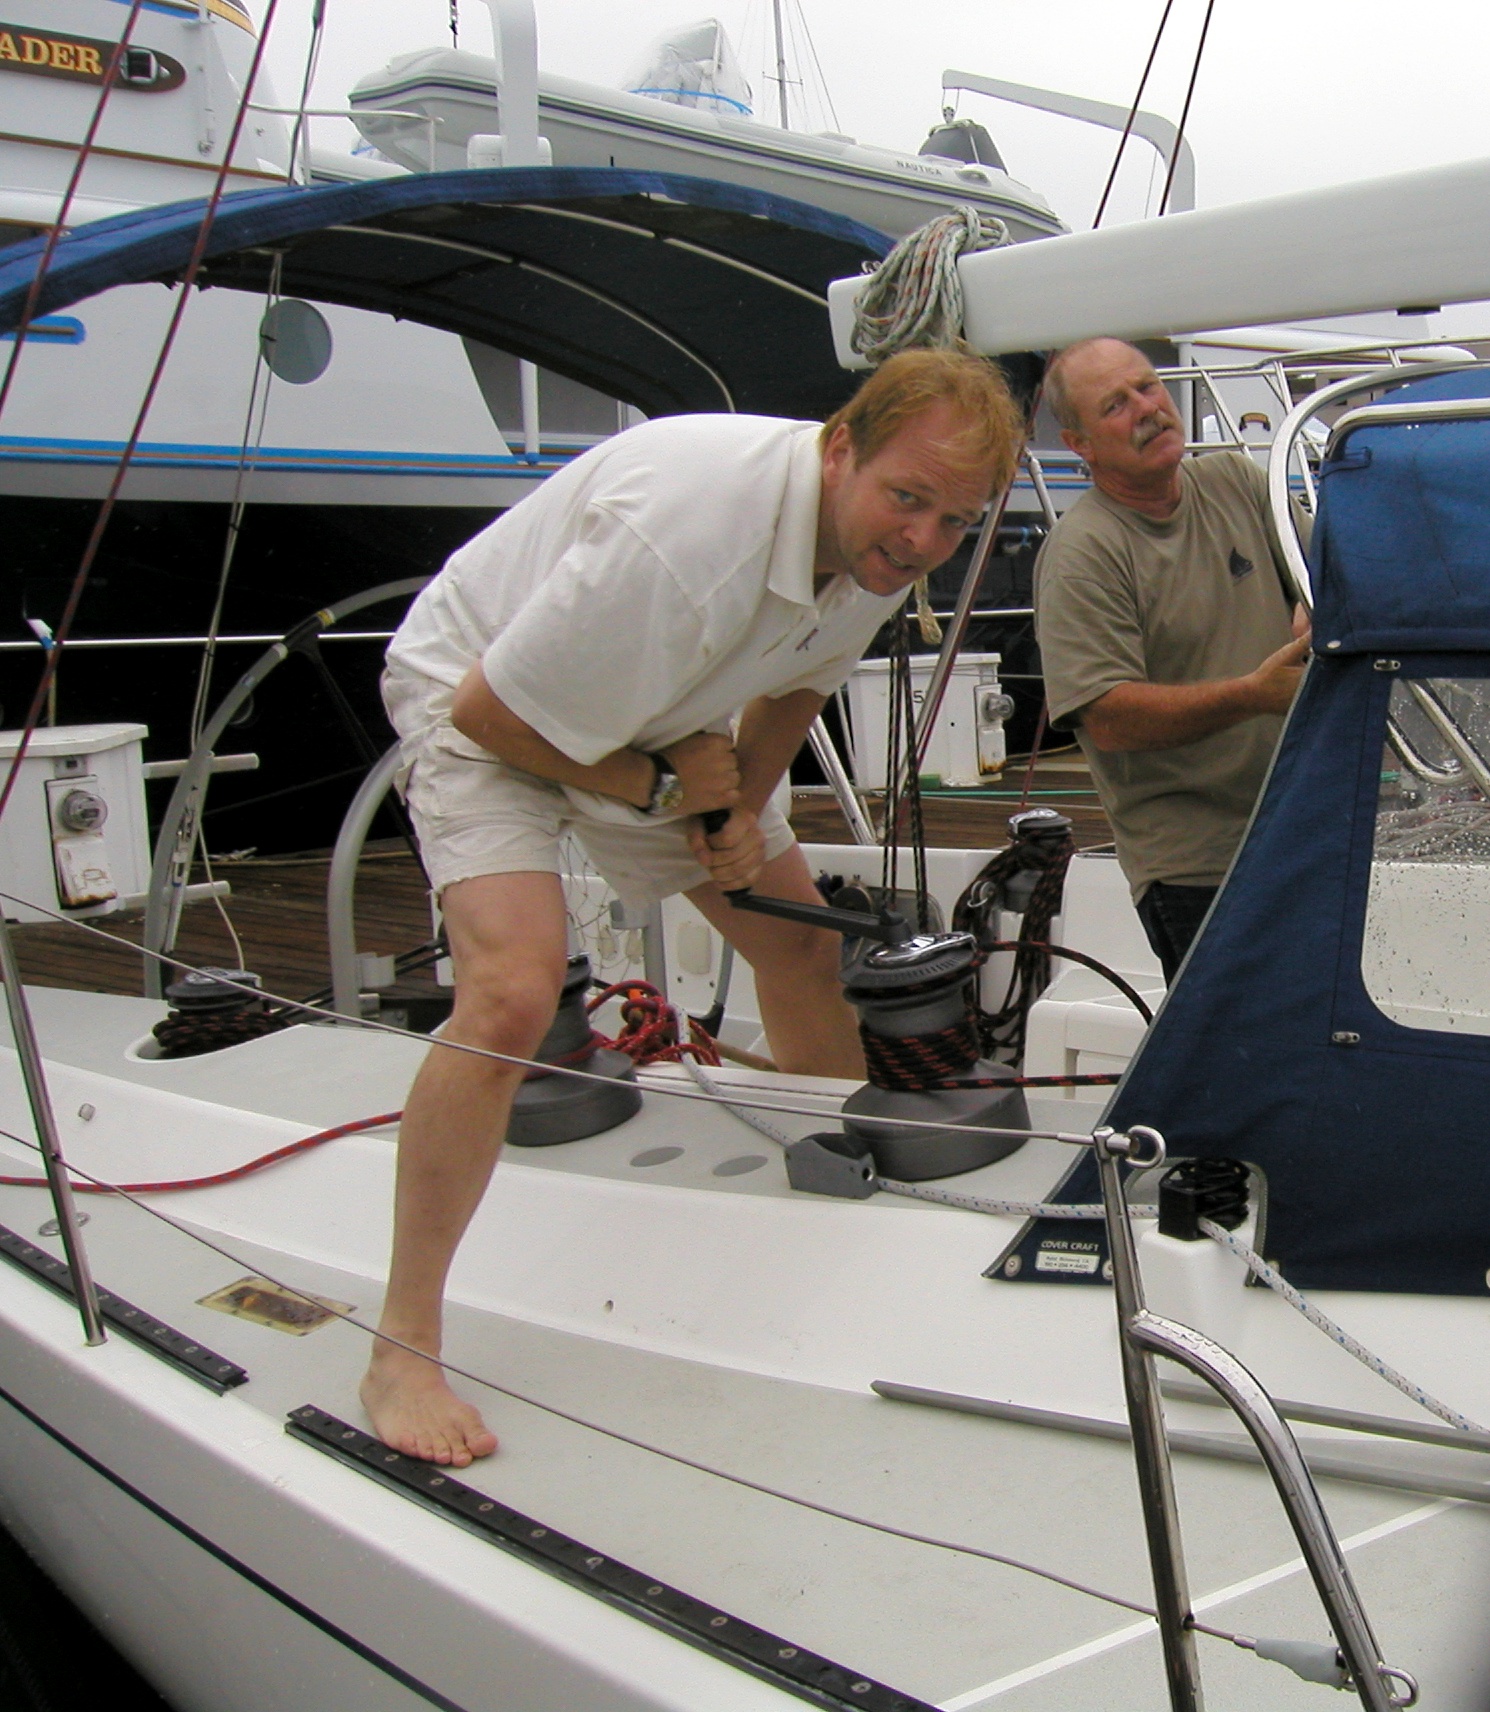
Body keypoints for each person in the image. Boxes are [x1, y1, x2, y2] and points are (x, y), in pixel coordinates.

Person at [361, 347, 1023, 1465]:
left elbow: (793, 690)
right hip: (486, 701)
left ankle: (830, 1194)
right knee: (513, 992)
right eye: (908, 498)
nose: (922, 540)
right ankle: (401, 1345)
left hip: (659, 720)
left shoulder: (876, 554)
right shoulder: (686, 540)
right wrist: (665, 791)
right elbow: (487, 713)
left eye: (955, 520)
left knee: (796, 947)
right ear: (839, 449)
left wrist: (735, 816)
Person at [1033, 337, 1310, 981]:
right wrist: (1253, 694)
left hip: (1302, 828)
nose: (1146, 408)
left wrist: (1316, 602)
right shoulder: (1082, 554)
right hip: (1197, 869)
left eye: (1148, 386)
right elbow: (1109, 719)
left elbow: (1325, 570)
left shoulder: (1237, 481)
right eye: (1115, 405)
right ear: (1079, 444)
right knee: (1239, 1040)